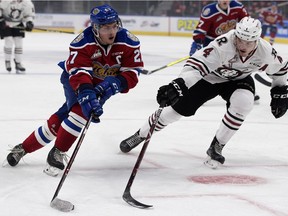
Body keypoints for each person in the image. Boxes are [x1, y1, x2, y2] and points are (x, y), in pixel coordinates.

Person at [120, 17, 288, 169]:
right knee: (175, 112)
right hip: (209, 78)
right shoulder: (222, 45)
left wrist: (279, 89)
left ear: (257, 41)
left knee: (244, 102)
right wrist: (178, 85)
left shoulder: (265, 52)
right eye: (240, 40)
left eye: (248, 42)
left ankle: (217, 146)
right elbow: (195, 67)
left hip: (238, 80)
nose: (243, 45)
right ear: (235, 35)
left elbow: (281, 69)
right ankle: (141, 134)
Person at [5, 4, 144, 177]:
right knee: (82, 110)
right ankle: (57, 151)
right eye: (106, 27)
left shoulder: (129, 41)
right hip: (75, 81)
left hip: (103, 84)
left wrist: (115, 84)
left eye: (114, 26)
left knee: (65, 114)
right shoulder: (82, 42)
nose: (112, 31)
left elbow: (132, 72)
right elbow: (79, 72)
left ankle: (23, 148)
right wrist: (86, 92)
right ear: (96, 28)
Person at [188, 0, 263, 102]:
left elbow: (246, 24)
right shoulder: (209, 10)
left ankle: (246, 90)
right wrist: (197, 42)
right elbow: (201, 29)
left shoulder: (237, 6)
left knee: (241, 66)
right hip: (213, 43)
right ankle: (194, 91)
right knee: (206, 68)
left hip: (233, 42)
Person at [0, 0, 35, 74]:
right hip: (5, 23)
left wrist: (29, 22)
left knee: (19, 43)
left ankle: (18, 62)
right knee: (8, 41)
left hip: (18, 23)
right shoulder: (6, 1)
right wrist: (1, 20)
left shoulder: (27, 2)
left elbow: (29, 14)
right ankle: (7, 61)